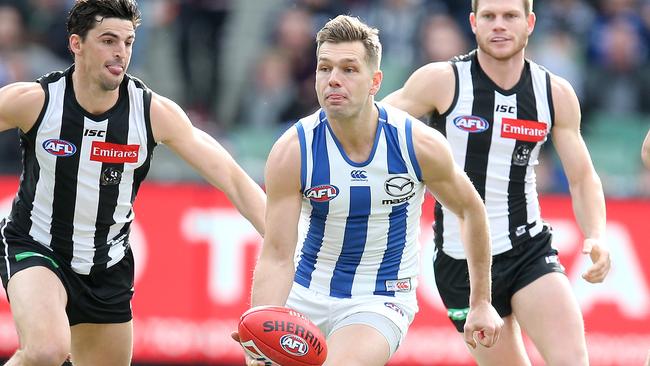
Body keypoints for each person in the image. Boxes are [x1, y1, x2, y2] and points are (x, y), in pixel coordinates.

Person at [0, 1, 265, 365]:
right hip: (37, 245)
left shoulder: (151, 112)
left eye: (127, 42)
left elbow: (233, 178)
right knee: (47, 350)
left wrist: (289, 246)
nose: (120, 52)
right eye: (108, 40)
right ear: (76, 43)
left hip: (107, 265)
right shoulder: (35, 101)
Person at [233, 15, 503, 366]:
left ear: (375, 81)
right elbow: (278, 253)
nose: (333, 79)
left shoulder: (416, 143)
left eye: (349, 69)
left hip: (380, 298)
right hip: (304, 295)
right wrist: (262, 322)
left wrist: (481, 302)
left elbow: (470, 209)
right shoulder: (293, 150)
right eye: (324, 68)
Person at [383, 0, 610, 364]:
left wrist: (597, 233)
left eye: (510, 16)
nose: (499, 25)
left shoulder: (553, 93)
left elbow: (582, 177)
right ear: (473, 23)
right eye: (489, 16)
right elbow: (374, 124)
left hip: (529, 249)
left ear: (530, 22)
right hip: (463, 265)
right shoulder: (443, 80)